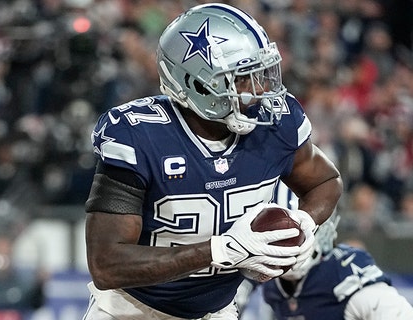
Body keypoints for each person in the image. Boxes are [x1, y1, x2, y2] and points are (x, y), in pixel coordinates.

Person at [82, 3, 343, 320]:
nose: (259, 90)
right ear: (198, 83)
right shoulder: (140, 136)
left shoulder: (276, 124)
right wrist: (222, 251)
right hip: (132, 310)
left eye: (261, 73)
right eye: (242, 78)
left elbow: (326, 182)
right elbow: (106, 265)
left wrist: (305, 222)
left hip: (216, 311)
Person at [261, 212, 413, 319]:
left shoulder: (343, 273)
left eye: (296, 234)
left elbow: (398, 315)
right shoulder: (272, 287)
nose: (289, 244)